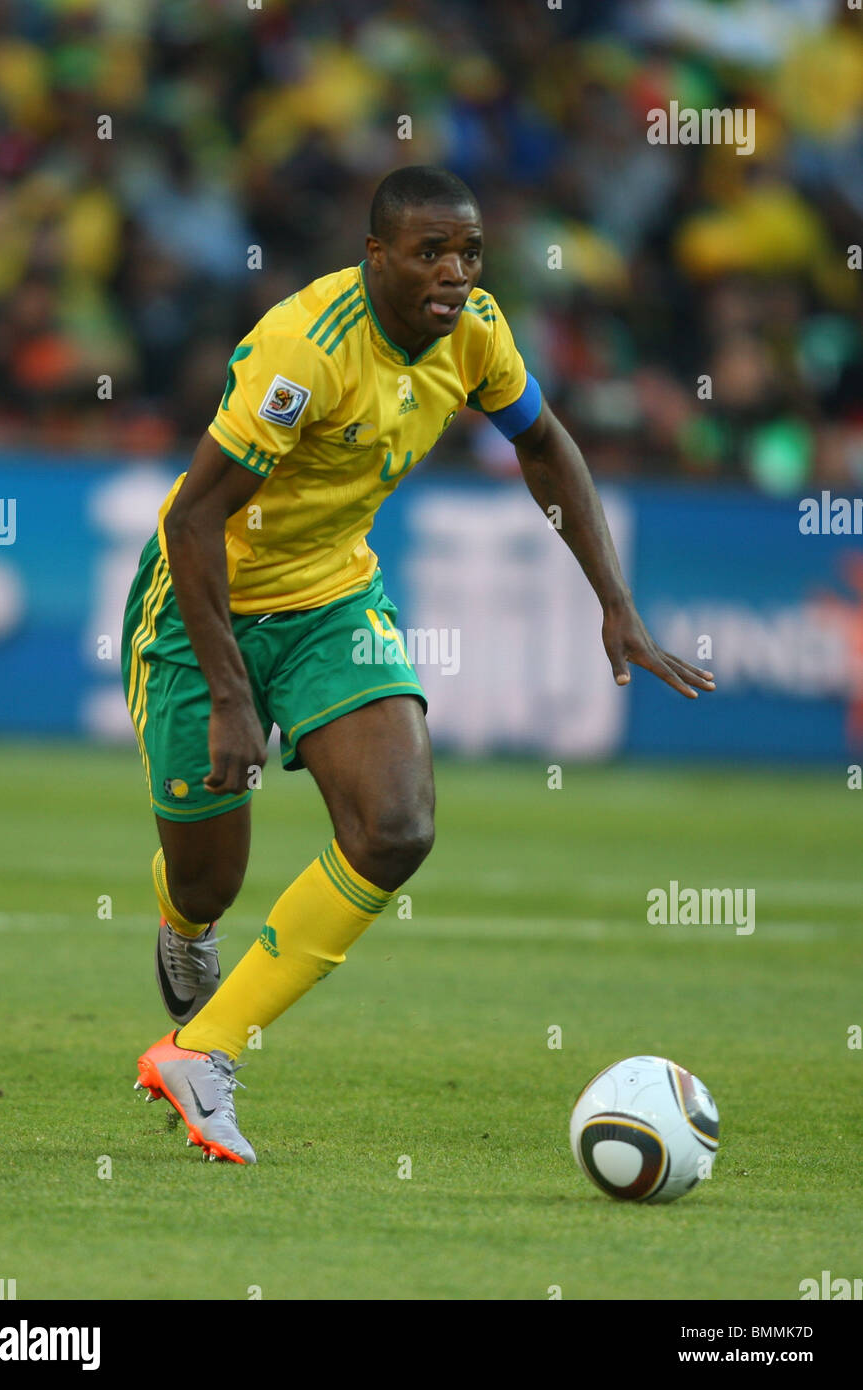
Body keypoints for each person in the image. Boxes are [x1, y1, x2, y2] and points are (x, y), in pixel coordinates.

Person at [124, 166, 715, 1164]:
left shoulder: (475, 332)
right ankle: (184, 923)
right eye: (429, 252)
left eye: (468, 252)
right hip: (203, 607)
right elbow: (192, 517)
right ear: (374, 257)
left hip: (332, 602)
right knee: (207, 881)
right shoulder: (302, 352)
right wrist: (232, 696)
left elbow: (543, 445)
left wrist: (613, 601)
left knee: (396, 826)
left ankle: (202, 1048)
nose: (453, 272)